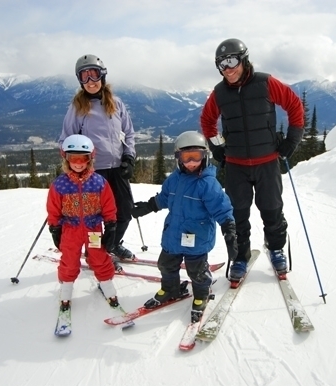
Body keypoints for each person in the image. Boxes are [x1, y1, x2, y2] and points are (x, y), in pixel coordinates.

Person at [200, 38, 304, 280]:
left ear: (243, 59)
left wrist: (292, 141)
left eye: (232, 61)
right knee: (237, 213)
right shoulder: (219, 93)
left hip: (266, 161)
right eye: (222, 65)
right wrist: (217, 149)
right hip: (236, 165)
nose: (228, 69)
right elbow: (207, 122)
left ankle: (276, 248)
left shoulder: (265, 83)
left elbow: (294, 105)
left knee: (272, 209)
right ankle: (240, 256)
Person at [131, 131, 238, 322]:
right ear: (177, 157)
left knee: (196, 270)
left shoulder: (208, 184)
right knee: (165, 264)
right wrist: (148, 206)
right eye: (185, 157)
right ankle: (170, 288)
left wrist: (229, 230)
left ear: (204, 156)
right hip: (173, 235)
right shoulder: (174, 179)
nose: (190, 162)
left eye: (195, 156)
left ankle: (201, 293)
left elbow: (222, 209)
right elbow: (164, 198)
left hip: (196, 238)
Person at [59, 54, 137, 266]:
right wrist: (73, 164)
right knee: (94, 220)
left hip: (117, 168)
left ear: (102, 76)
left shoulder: (116, 103)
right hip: (93, 172)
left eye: (93, 75)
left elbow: (129, 133)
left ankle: (111, 244)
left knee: (125, 212)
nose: (90, 81)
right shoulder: (77, 107)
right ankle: (96, 254)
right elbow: (66, 139)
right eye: (84, 77)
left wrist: (129, 156)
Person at [46, 134, 119, 309]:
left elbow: (109, 205)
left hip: (93, 228)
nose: (78, 163)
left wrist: (110, 225)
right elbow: (53, 208)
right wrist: (55, 228)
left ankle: (108, 288)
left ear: (90, 159)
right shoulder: (60, 185)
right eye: (73, 158)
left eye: (83, 158)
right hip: (70, 229)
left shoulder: (99, 183)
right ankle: (65, 292)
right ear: (66, 159)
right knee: (69, 260)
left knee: (99, 258)